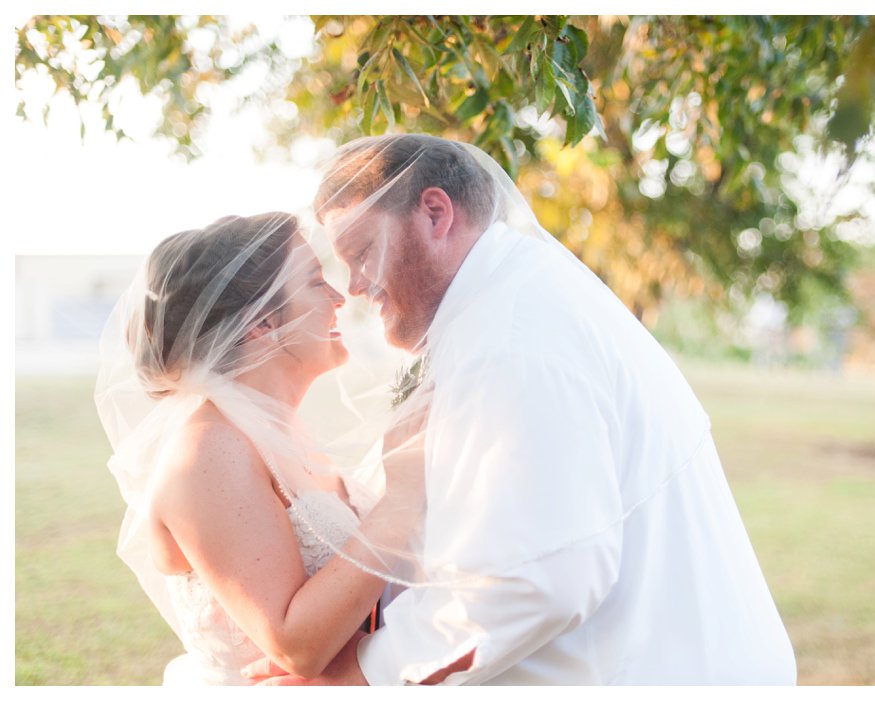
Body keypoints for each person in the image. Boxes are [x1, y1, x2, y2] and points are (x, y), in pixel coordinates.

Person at [246, 134, 797, 685]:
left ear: (436, 214)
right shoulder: (512, 301)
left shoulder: (510, 341)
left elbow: (535, 580)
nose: (358, 288)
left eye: (363, 254)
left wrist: (363, 675)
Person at [96, 212, 426, 685]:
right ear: (261, 323)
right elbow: (295, 645)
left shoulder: (277, 431)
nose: (338, 297)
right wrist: (402, 502)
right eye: (315, 282)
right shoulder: (209, 452)